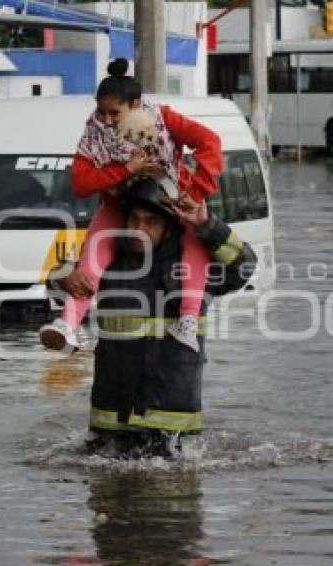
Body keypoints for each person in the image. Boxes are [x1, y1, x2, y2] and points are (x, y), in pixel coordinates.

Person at [56, 176, 256, 456]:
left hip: (172, 416)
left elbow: (244, 268)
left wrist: (208, 225)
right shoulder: (108, 260)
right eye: (134, 220)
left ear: (169, 226)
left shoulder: (192, 271)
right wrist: (60, 276)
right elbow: (62, 293)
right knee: (104, 492)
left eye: (151, 222)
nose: (139, 229)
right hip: (112, 414)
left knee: (171, 493)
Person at [39, 58, 223, 354]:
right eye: (101, 112)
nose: (107, 121)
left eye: (115, 113)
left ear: (136, 104)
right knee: (93, 252)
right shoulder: (93, 131)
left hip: (171, 198)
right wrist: (126, 169)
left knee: (196, 241)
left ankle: (188, 318)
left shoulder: (165, 119)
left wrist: (197, 190)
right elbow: (80, 183)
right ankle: (67, 324)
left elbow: (210, 142)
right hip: (120, 200)